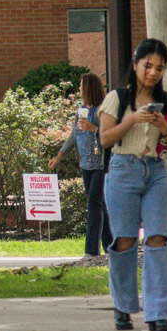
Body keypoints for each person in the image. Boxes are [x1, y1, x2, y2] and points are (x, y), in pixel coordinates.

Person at [98, 39, 167, 331]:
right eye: (147, 65)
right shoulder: (117, 98)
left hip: (157, 171)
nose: (152, 73)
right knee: (123, 241)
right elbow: (105, 139)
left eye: (159, 67)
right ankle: (123, 307)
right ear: (135, 64)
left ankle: (159, 312)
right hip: (123, 170)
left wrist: (164, 126)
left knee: (157, 239)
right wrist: (134, 119)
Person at [50, 73, 111, 256]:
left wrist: (94, 129)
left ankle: (91, 251)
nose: (79, 89)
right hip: (86, 165)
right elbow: (73, 136)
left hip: (101, 165)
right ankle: (110, 247)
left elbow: (110, 134)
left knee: (94, 203)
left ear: (89, 87)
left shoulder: (103, 109)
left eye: (81, 85)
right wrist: (59, 156)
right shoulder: (80, 111)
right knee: (100, 205)